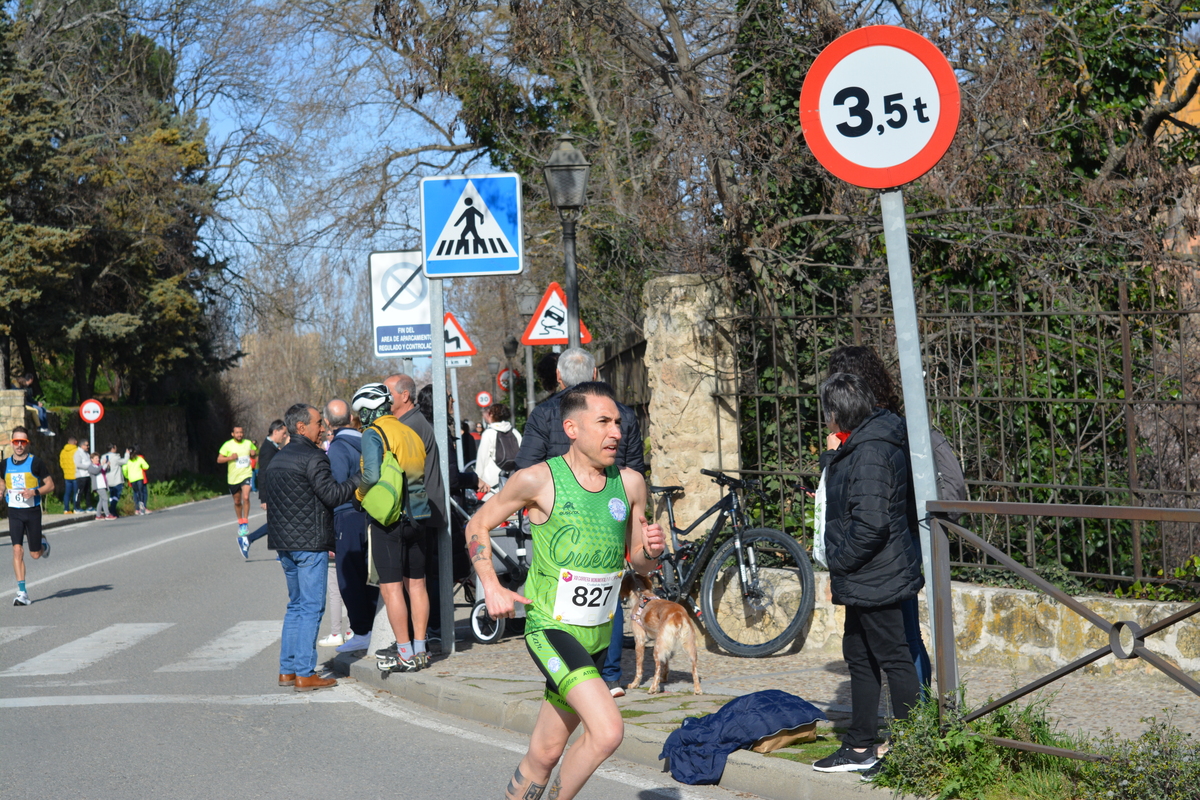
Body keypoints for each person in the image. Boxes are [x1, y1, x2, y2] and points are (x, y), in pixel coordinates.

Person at [465, 382, 665, 800]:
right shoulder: (537, 479)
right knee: (608, 731)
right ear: (572, 428)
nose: (617, 433)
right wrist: (492, 585)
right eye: (604, 423)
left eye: (618, 423)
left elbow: (638, 561)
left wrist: (652, 551)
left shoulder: (629, 484)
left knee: (545, 751)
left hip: (597, 633)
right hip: (552, 628)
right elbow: (477, 525)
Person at [514, 348, 647, 698]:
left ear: (558, 378)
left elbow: (525, 463)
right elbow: (636, 467)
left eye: (615, 425)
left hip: (570, 515)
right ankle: (610, 676)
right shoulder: (624, 413)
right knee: (606, 588)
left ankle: (597, 672)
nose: (613, 431)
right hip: (586, 512)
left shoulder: (545, 413)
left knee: (597, 587)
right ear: (598, 373)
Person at [811, 373, 923, 775]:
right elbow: (845, 495)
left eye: (826, 412)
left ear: (838, 412)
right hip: (865, 574)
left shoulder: (873, 448)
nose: (824, 419)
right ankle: (860, 746)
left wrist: (839, 561)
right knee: (859, 656)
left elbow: (871, 522)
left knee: (894, 659)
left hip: (877, 572)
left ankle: (913, 751)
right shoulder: (860, 443)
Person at [827, 345, 948, 698]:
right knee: (896, 641)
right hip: (899, 538)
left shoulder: (870, 436)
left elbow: (870, 513)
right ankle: (913, 722)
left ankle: (916, 728)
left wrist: (839, 562)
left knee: (898, 645)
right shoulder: (888, 422)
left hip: (887, 545)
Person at [260, 403, 359, 692]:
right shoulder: (313, 456)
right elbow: (331, 495)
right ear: (301, 427)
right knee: (312, 608)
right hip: (309, 543)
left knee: (296, 606)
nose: (324, 428)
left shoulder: (278, 459)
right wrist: (359, 478)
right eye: (318, 423)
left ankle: (287, 670)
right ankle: (305, 672)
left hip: (284, 545)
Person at [353, 382, 429, 671]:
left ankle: (405, 653)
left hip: (391, 519)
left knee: (392, 589)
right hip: (419, 516)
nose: (361, 420)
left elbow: (371, 475)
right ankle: (421, 649)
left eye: (361, 413)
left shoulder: (374, 433)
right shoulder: (409, 431)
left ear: (369, 410)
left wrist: (358, 496)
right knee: (417, 585)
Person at [323, 398, 378, 654]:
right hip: (373, 513)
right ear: (351, 418)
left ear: (326, 423)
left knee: (350, 578)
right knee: (371, 576)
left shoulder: (337, 448)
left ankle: (362, 632)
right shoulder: (366, 440)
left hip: (347, 515)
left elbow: (336, 489)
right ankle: (374, 627)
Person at [6, 427, 55, 605]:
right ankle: (22, 593)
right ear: (11, 443)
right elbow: (2, 482)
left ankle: (43, 544)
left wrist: (35, 491)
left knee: (35, 554)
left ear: (28, 444)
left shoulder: (36, 463)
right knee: (17, 550)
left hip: (32, 512)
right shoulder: (4, 464)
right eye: (16, 442)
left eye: (23, 442)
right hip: (14, 512)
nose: (19, 445)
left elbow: (50, 485)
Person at [240, 420, 287, 559]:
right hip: (271, 493)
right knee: (277, 522)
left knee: (278, 522)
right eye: (283, 433)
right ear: (276, 431)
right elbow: (263, 473)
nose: (284, 436)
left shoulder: (273, 447)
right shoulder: (267, 449)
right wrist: (264, 497)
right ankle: (248, 539)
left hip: (276, 492)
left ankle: (281, 553)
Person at [218, 425, 258, 537]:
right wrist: (230, 458)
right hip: (233, 477)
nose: (239, 434)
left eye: (241, 432)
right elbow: (219, 459)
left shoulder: (248, 443)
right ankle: (240, 521)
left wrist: (253, 455)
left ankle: (245, 521)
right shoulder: (227, 445)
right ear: (233, 434)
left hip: (246, 474)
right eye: (237, 433)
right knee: (237, 501)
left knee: (245, 497)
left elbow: (254, 454)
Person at [477, 402, 522, 497]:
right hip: (512, 478)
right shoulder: (514, 432)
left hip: (492, 482)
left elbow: (482, 459)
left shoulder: (488, 433)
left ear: (492, 415)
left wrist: (477, 479)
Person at [101, 444, 129, 518]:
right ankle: (112, 509)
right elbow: (125, 461)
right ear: (113, 448)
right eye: (115, 447)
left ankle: (112, 510)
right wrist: (127, 454)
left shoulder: (103, 457)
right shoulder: (115, 457)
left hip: (108, 480)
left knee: (111, 496)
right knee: (116, 496)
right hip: (116, 480)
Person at [85, 452, 113, 520]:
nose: (98, 459)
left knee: (101, 500)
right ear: (92, 459)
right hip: (98, 486)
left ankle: (98, 515)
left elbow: (105, 470)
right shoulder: (91, 467)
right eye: (96, 458)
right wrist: (102, 465)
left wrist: (107, 465)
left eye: (98, 458)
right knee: (105, 498)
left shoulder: (99, 466)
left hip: (103, 485)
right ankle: (107, 514)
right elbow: (96, 471)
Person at [126, 448, 150, 514]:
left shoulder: (127, 461)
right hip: (139, 477)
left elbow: (124, 469)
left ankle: (137, 509)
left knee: (135, 493)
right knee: (141, 492)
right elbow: (146, 466)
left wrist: (127, 476)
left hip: (132, 478)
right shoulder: (139, 458)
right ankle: (142, 507)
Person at [59, 436, 79, 514]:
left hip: (67, 475)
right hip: (75, 475)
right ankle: (75, 508)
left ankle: (66, 509)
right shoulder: (77, 451)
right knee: (76, 493)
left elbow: (61, 463)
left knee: (67, 493)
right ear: (75, 442)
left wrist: (65, 470)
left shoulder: (63, 451)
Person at [73, 440, 94, 512]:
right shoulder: (78, 453)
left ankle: (89, 506)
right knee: (80, 492)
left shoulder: (87, 454)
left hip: (87, 475)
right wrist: (88, 467)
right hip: (81, 476)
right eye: (87, 445)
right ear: (82, 445)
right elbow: (78, 464)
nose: (88, 447)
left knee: (88, 492)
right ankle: (77, 507)